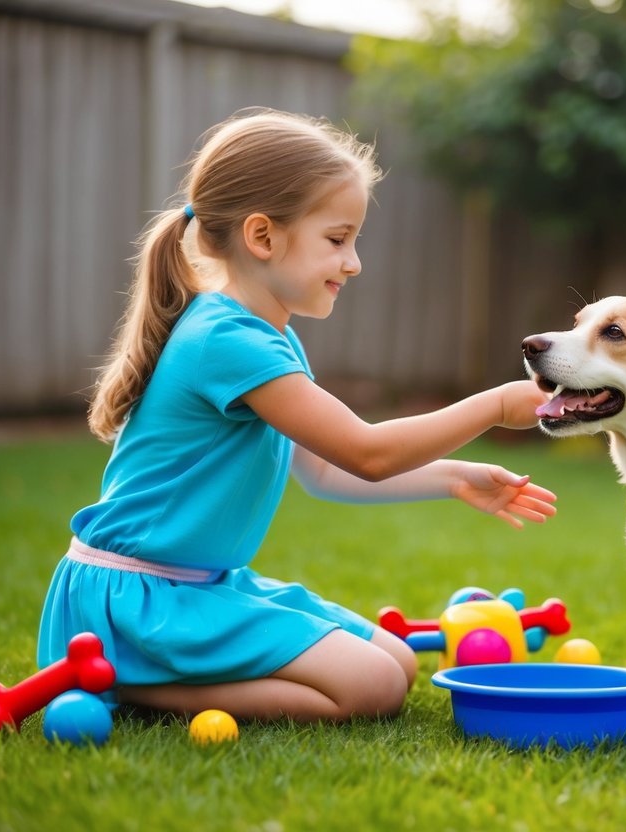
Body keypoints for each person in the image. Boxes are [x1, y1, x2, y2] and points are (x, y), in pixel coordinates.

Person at [38, 109, 556, 724]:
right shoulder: (227, 341)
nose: (354, 261)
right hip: (137, 601)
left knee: (398, 661)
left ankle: (143, 672)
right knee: (374, 688)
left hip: (197, 586)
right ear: (263, 237)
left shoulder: (265, 334)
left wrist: (453, 478)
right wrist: (494, 406)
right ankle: (130, 680)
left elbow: (327, 473)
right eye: (338, 239)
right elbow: (366, 451)